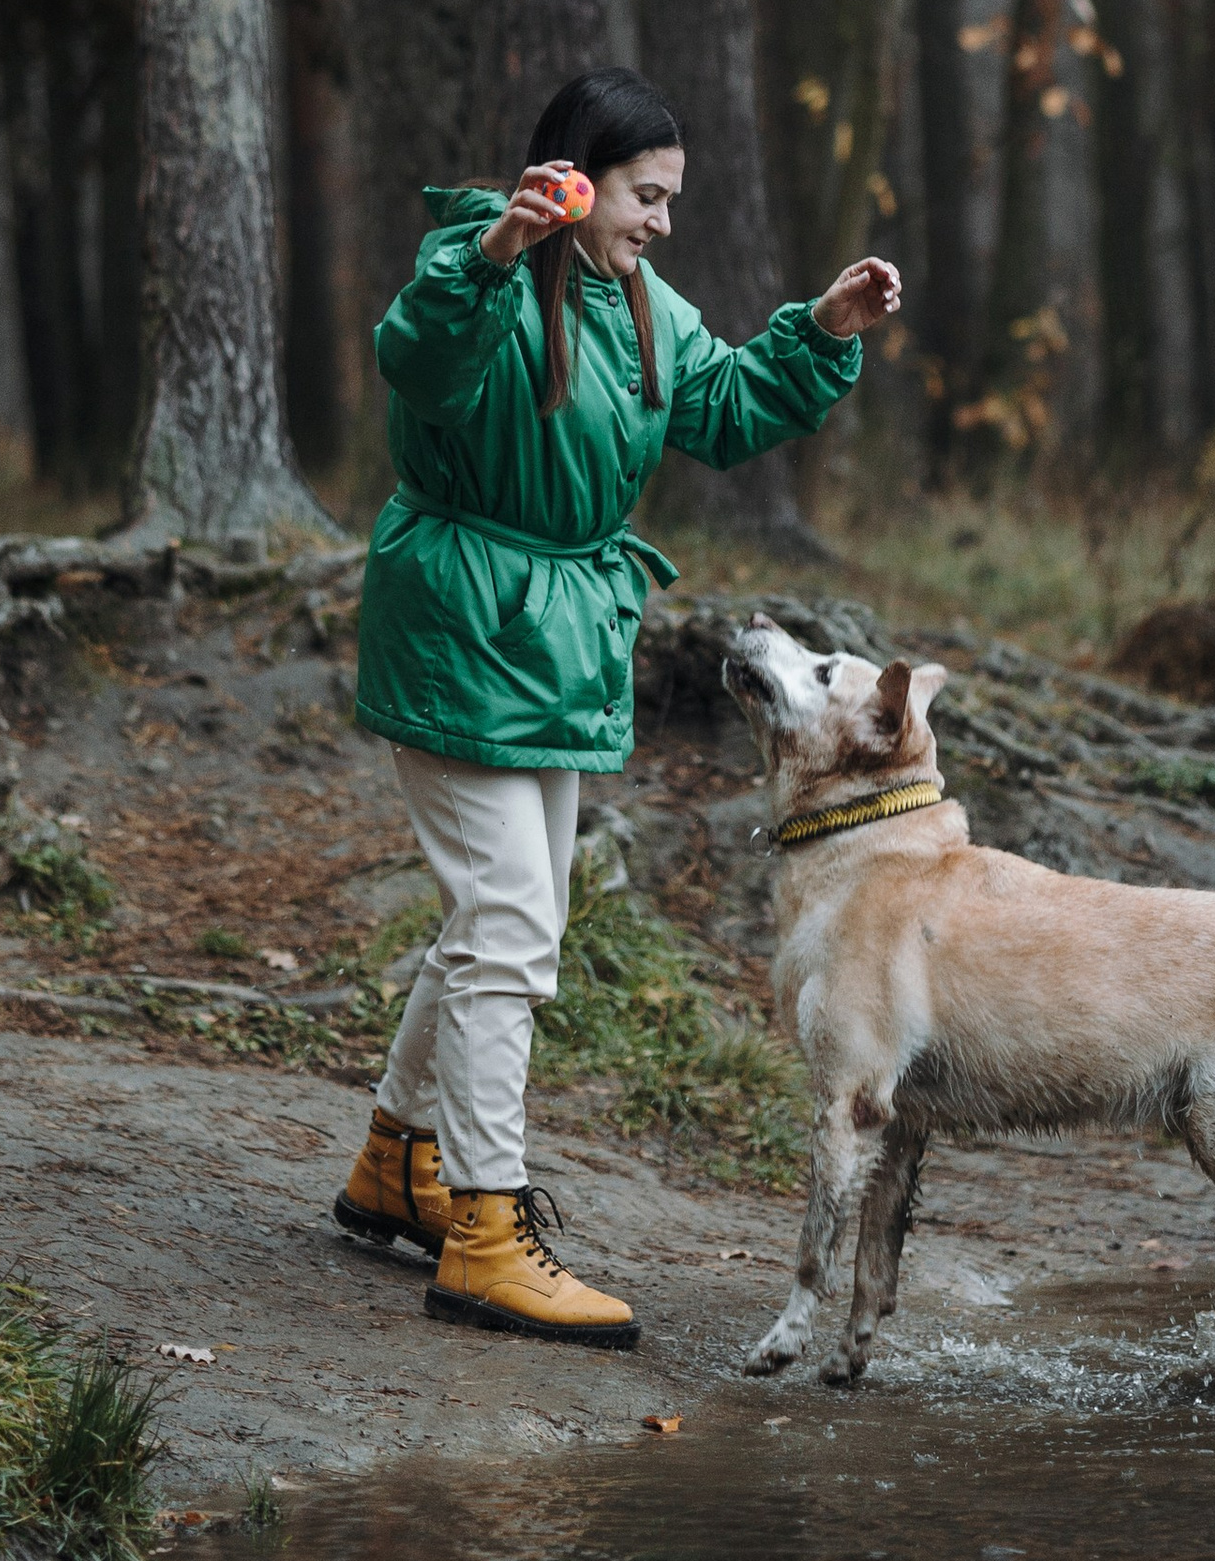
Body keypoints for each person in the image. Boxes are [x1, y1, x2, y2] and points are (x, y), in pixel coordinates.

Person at [333, 67, 902, 1348]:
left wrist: (823, 327)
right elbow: (414, 358)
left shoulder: (640, 301)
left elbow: (723, 408)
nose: (661, 222)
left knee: (501, 919)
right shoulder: (479, 273)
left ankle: (395, 1161)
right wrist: (494, 248)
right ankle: (483, 1230)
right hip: (462, 621)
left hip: (560, 637)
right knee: (508, 925)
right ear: (580, 180)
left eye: (670, 199)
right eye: (647, 196)